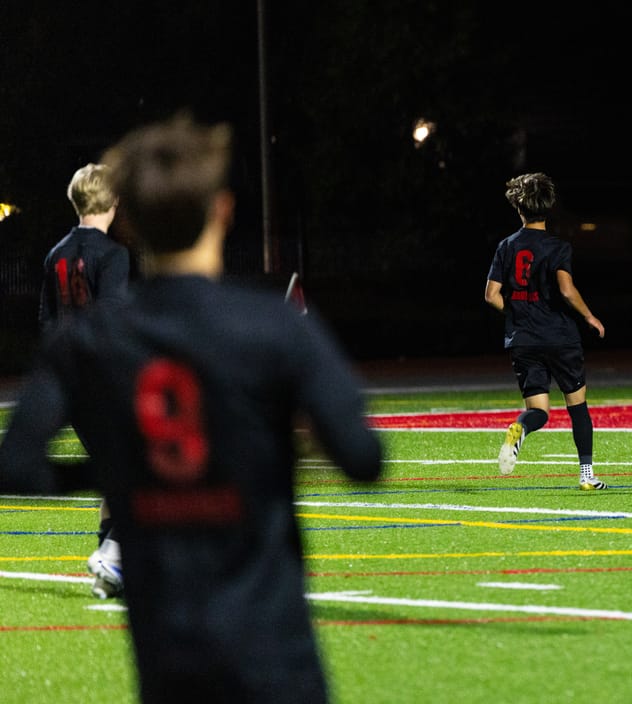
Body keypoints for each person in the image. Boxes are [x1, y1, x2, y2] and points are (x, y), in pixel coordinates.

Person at [0, 114, 383, 704]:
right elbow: (363, 458)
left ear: (134, 220)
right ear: (222, 211)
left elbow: (16, 465)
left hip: (169, 658)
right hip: (275, 651)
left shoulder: (85, 341)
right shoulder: (274, 324)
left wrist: (117, 472)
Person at [38, 162, 131, 598]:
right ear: (114, 200)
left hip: (70, 384)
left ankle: (108, 574)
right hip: (102, 379)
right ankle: (111, 556)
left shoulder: (55, 254)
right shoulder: (113, 255)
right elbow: (112, 321)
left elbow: (47, 324)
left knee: (116, 469)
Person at [484, 172, 608, 490]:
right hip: (560, 337)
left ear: (519, 208)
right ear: (549, 208)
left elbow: (491, 295)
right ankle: (586, 475)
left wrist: (517, 313)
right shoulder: (558, 247)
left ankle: (520, 429)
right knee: (577, 406)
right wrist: (590, 316)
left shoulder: (506, 246)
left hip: (523, 339)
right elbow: (566, 290)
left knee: (538, 411)